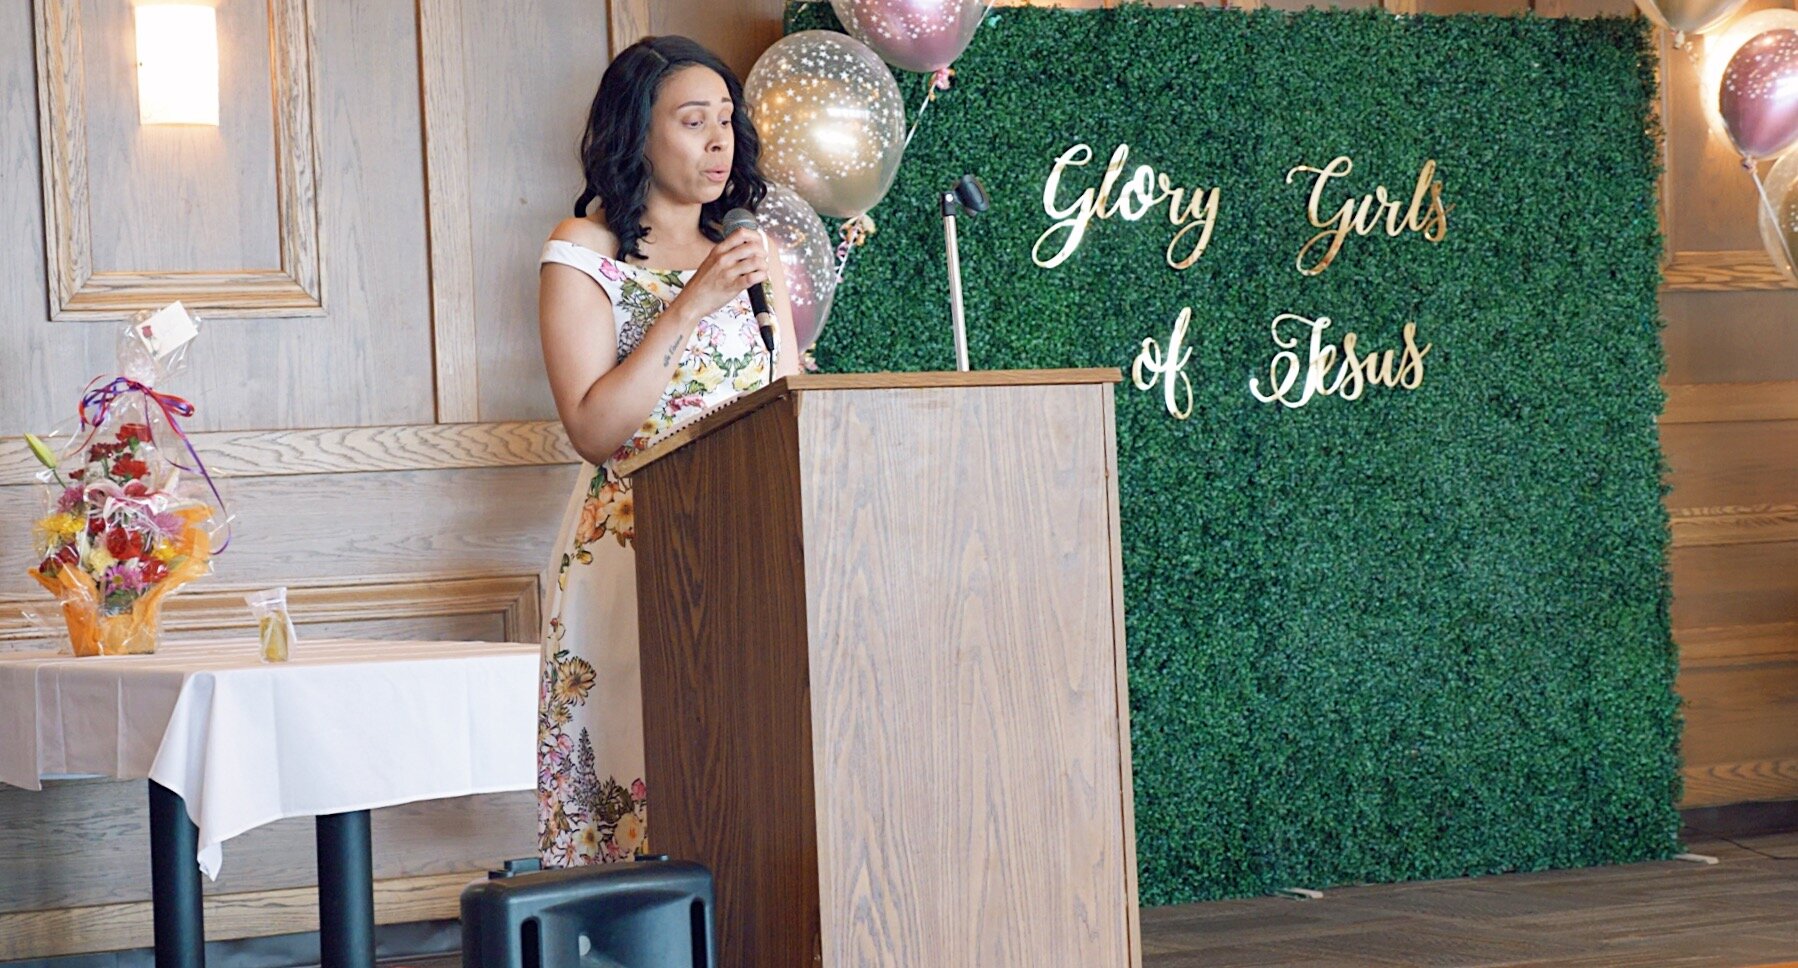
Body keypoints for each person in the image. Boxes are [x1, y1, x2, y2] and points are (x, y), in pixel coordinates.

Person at [534, 35, 799, 868]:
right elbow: (593, 429)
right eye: (693, 121)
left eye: (726, 119)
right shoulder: (586, 249)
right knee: (633, 775)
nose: (719, 141)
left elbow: (790, 402)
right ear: (638, 133)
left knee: (748, 784)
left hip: (750, 550)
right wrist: (689, 305)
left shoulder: (753, 254)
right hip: (636, 551)